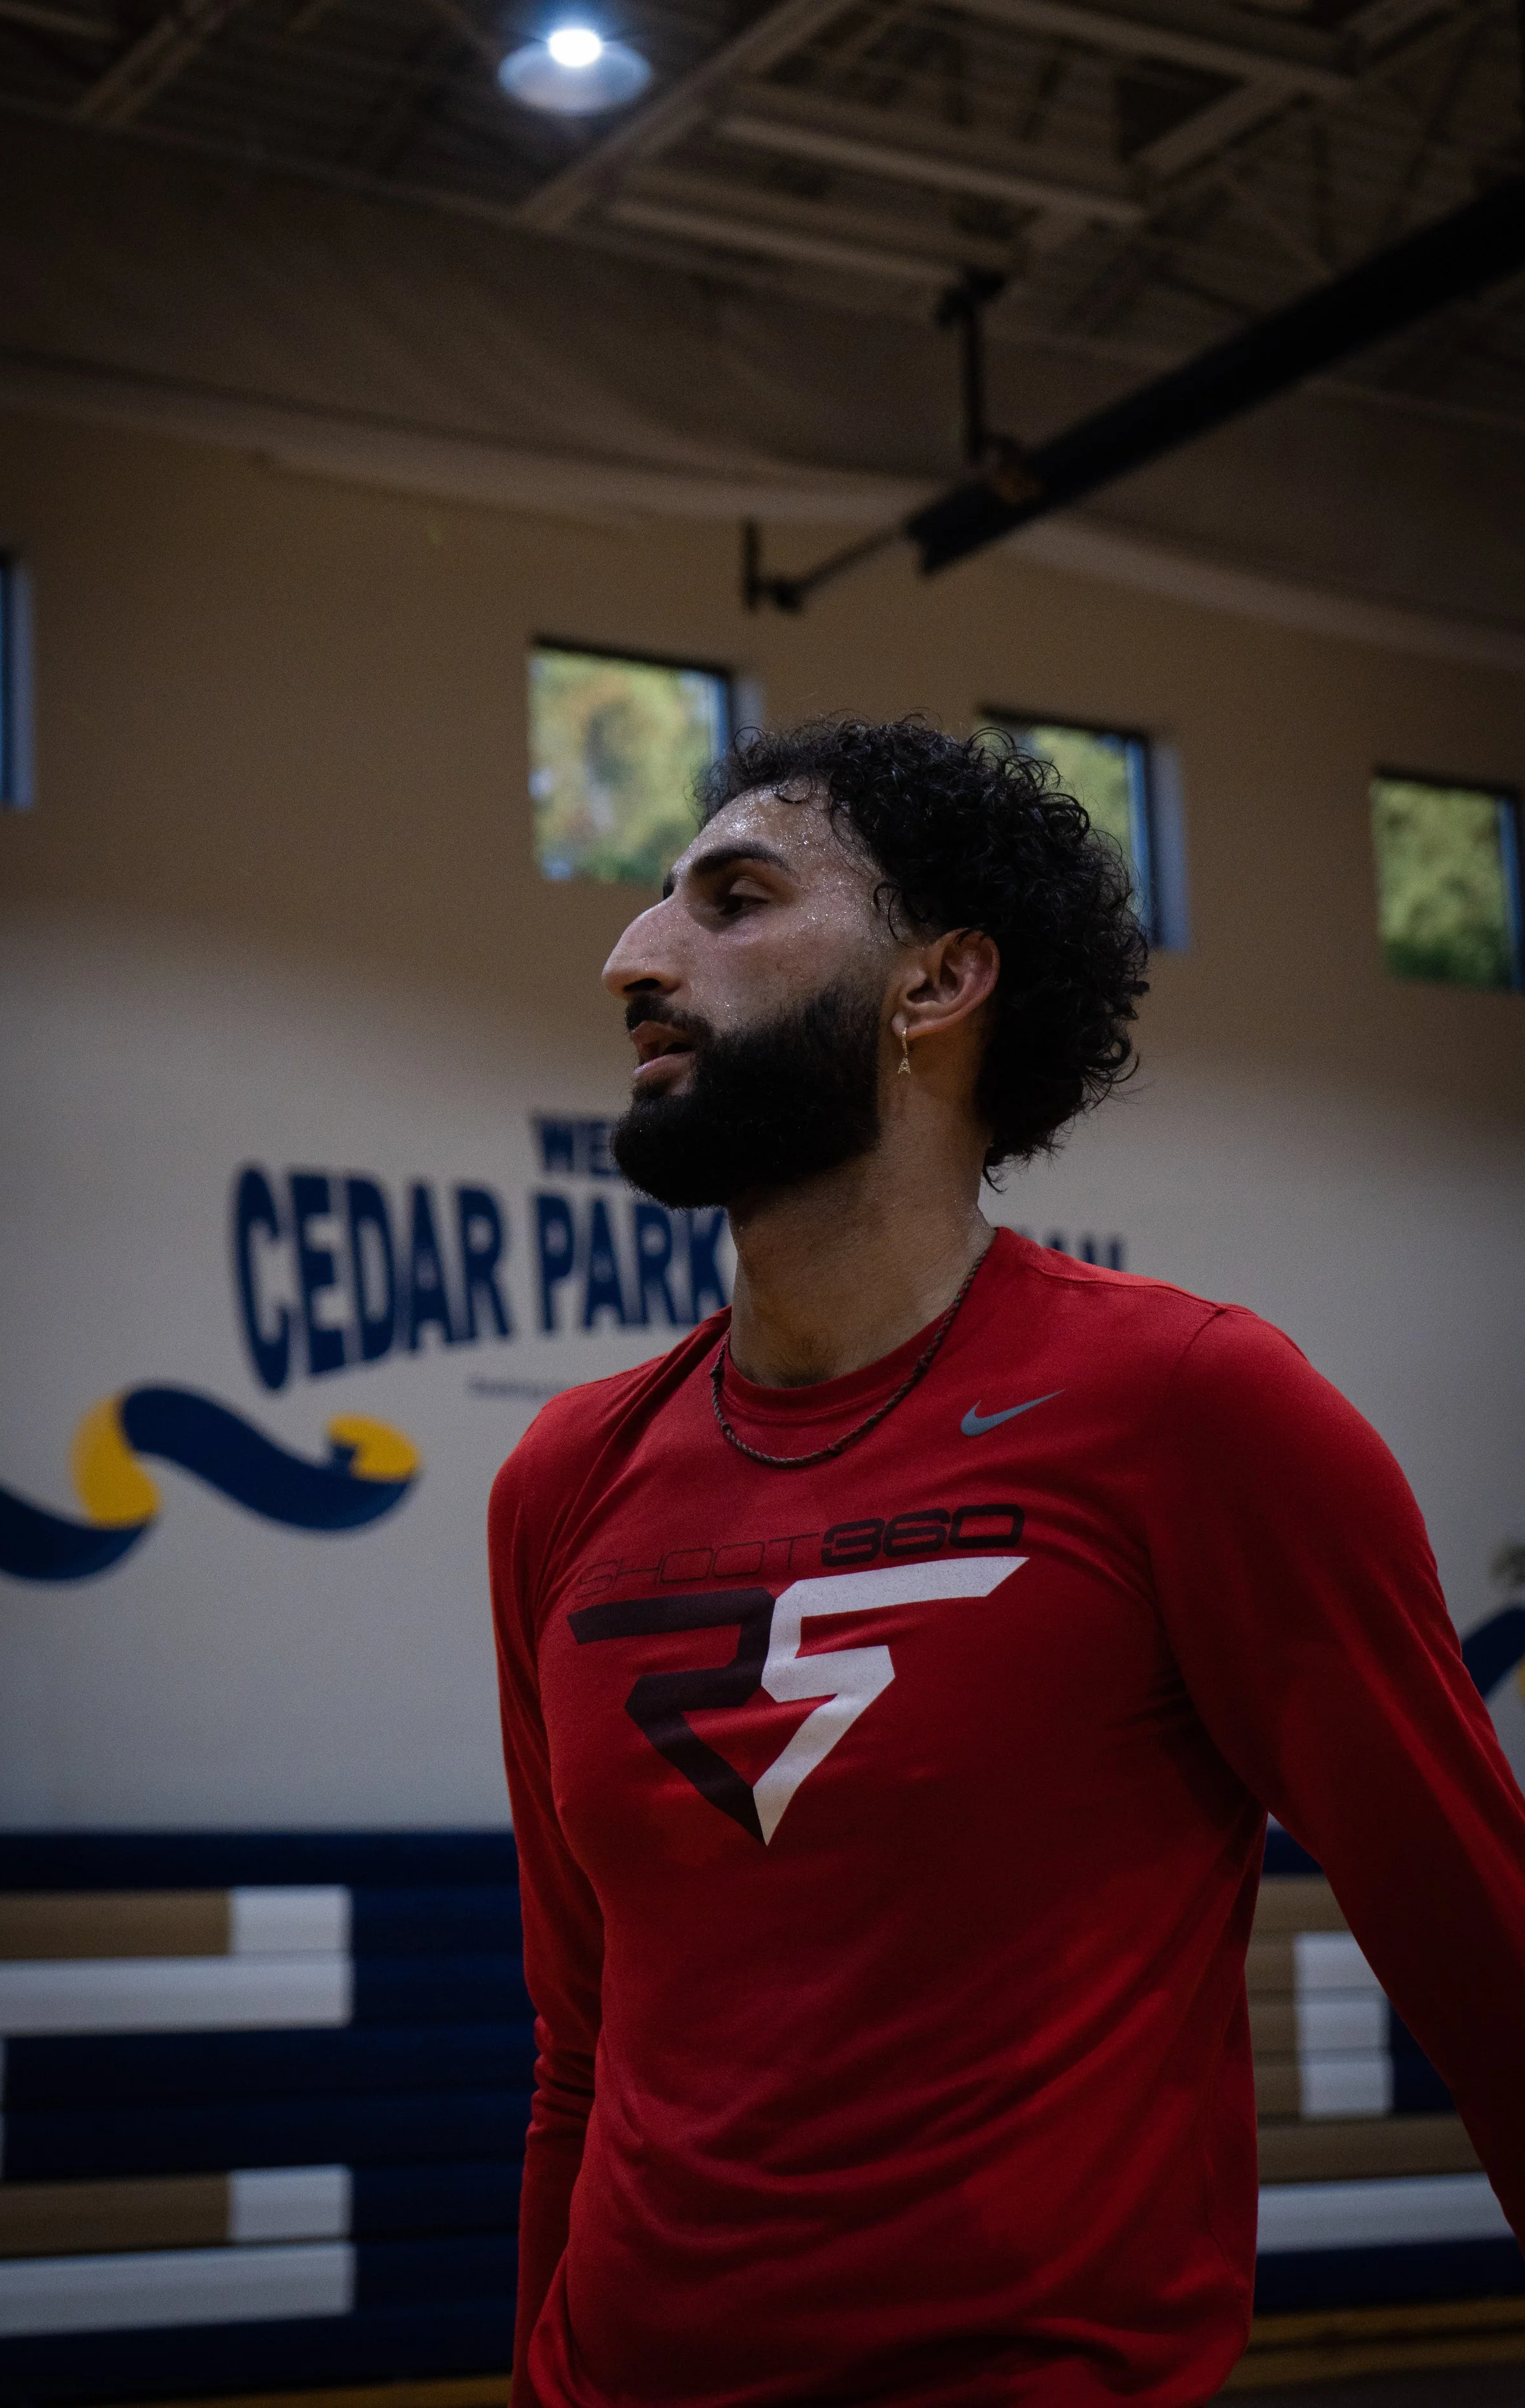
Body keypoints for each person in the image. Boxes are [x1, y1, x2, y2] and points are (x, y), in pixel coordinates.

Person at [487, 716, 1525, 2408]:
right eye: (653, 906)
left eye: (731, 897)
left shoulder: (1192, 1412)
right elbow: (575, 2053)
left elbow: (1489, 1963)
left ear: (934, 981)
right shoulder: (562, 1477)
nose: (632, 956)